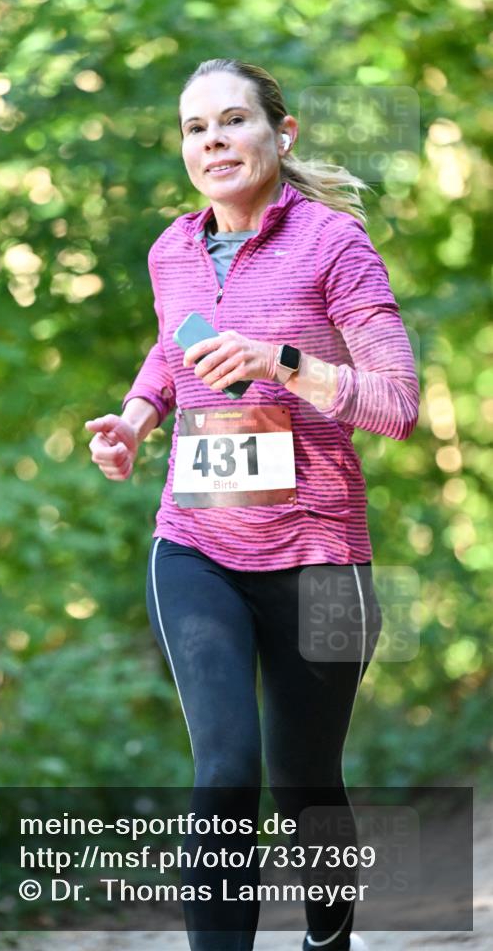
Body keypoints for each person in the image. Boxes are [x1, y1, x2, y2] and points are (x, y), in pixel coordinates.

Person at [85, 59, 419, 951]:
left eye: (233, 121)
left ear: (281, 132)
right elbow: (171, 350)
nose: (214, 141)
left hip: (319, 556)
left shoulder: (333, 244)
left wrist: (280, 362)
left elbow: (397, 403)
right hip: (196, 545)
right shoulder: (171, 250)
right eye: (195, 128)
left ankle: (327, 942)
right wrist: (135, 418)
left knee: (303, 778)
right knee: (225, 769)